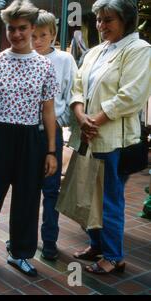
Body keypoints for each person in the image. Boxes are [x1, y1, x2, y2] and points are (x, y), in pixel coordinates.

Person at [0, 0, 59, 281]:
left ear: (32, 28)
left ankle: (20, 253)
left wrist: (52, 152)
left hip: (31, 139)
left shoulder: (45, 66)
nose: (16, 34)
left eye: (22, 28)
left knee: (28, 198)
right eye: (11, 28)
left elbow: (48, 110)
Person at [70, 0, 151, 275]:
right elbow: (77, 85)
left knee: (109, 199)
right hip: (89, 135)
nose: (101, 25)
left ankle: (114, 256)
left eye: (108, 20)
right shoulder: (95, 52)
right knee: (89, 196)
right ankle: (97, 245)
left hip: (114, 140)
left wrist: (95, 120)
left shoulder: (139, 49)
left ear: (125, 21)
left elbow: (132, 95)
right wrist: (81, 117)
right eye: (98, 19)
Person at [31, 10, 78, 261]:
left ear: (53, 35)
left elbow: (72, 93)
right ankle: (22, 237)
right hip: (25, 133)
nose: (37, 41)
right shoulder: (23, 57)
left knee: (51, 189)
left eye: (43, 35)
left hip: (52, 132)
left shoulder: (64, 60)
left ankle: (49, 240)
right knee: (26, 187)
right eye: (34, 35)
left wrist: (59, 122)